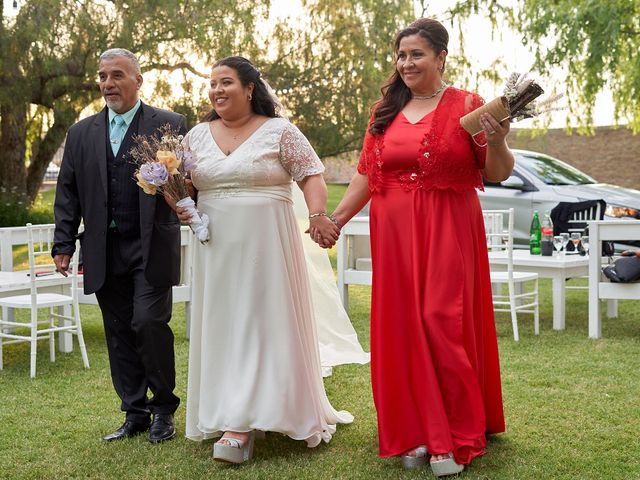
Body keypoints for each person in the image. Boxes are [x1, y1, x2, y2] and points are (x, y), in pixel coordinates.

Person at [328, 18, 512, 476]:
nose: (406, 63)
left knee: (440, 318)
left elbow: (498, 172)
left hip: (448, 226)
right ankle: (413, 431)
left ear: (441, 57)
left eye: (416, 54)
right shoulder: (384, 111)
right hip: (393, 232)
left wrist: (501, 139)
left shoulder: (469, 106)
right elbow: (367, 174)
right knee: (403, 327)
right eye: (401, 55)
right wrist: (335, 219)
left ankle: (454, 433)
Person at [176, 56, 352, 464]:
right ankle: (230, 411)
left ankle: (244, 422)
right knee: (225, 323)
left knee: (261, 320)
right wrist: (180, 205)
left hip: (268, 245)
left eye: (226, 82)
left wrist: (318, 215)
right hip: (216, 247)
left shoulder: (280, 131)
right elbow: (185, 188)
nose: (217, 91)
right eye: (212, 84)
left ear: (250, 88)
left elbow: (311, 176)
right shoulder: (196, 136)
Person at [52, 48, 187, 444]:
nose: (107, 83)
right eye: (102, 76)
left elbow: (186, 182)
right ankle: (135, 412)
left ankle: (163, 409)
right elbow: (68, 192)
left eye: (117, 75)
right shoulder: (80, 132)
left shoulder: (168, 124)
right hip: (102, 248)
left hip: (151, 245)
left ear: (138, 80)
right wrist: (63, 241)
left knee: (148, 323)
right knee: (118, 331)